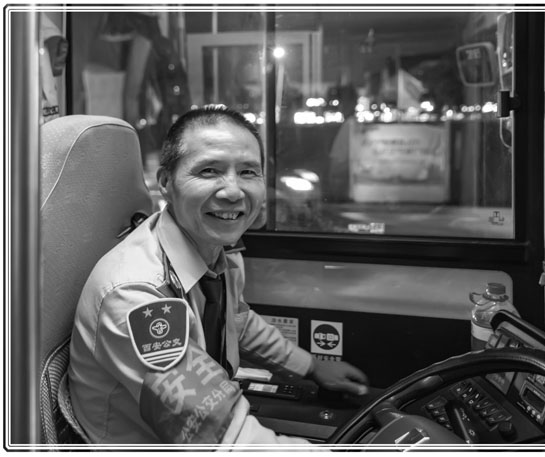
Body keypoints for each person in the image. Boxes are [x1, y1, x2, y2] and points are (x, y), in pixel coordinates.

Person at [68, 105, 369, 446]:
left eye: (248, 172)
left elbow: (235, 319)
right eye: (209, 171)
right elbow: (226, 438)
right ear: (166, 182)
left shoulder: (213, 247)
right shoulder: (135, 297)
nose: (233, 191)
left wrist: (310, 366)